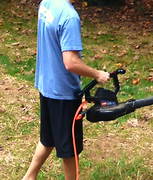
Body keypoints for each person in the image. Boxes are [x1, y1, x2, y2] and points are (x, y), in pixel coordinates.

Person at [23, 0, 109, 179]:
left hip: (46, 84)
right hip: (63, 93)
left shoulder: (47, 2)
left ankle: (29, 177)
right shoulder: (70, 17)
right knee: (70, 150)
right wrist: (97, 74)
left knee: (48, 138)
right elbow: (71, 62)